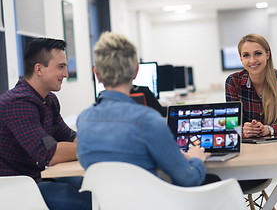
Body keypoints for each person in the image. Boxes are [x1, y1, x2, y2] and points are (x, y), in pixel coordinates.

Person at [76, 32, 212, 187]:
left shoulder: (83, 120)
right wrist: (196, 158)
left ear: (97, 74)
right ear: (136, 71)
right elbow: (189, 179)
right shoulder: (148, 120)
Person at [0, 38, 91, 210]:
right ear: (39, 69)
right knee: (89, 200)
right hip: (15, 188)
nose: (65, 74)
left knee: (95, 185)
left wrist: (86, 141)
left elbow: (69, 136)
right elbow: (49, 154)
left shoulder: (48, 100)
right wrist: (94, 147)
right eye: (60, 67)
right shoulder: (17, 103)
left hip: (38, 177)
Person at [225, 33, 277, 191]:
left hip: (275, 154)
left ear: (268, 54)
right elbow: (232, 127)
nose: (252, 60)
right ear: (241, 58)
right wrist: (244, 130)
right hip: (244, 157)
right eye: (246, 55)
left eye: (257, 53)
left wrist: (267, 129)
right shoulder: (233, 82)